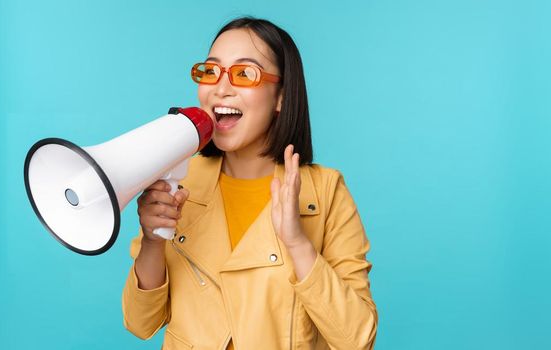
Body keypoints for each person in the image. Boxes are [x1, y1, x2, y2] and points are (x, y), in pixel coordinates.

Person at [121, 16, 377, 349]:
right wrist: (153, 243)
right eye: (210, 71)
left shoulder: (326, 192)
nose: (221, 88)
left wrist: (298, 243)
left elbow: (356, 339)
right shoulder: (178, 181)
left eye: (244, 74)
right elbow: (141, 324)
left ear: (281, 97)